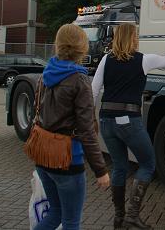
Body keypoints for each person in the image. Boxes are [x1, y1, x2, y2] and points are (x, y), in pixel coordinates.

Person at [92, 24, 165, 229]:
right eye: (135, 36)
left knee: (119, 166)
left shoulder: (106, 60)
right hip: (129, 121)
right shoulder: (143, 60)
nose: (137, 39)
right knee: (148, 164)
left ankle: (119, 217)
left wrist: (90, 119)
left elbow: (93, 91)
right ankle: (132, 216)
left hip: (106, 121)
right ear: (132, 38)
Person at [34, 24, 110, 230]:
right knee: (71, 222)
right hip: (68, 160)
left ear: (58, 44)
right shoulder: (80, 80)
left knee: (55, 214)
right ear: (82, 47)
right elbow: (86, 130)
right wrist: (100, 170)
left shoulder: (45, 74)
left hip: (42, 156)